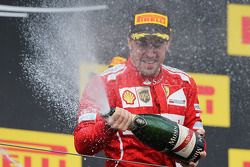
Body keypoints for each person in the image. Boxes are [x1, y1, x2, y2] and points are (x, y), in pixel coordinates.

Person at [74, 4, 206, 167]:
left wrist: (192, 153)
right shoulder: (104, 83)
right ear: (130, 41)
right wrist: (109, 125)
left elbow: (198, 144)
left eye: (157, 44)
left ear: (168, 43)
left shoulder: (184, 83)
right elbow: (82, 144)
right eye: (142, 43)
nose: (150, 53)